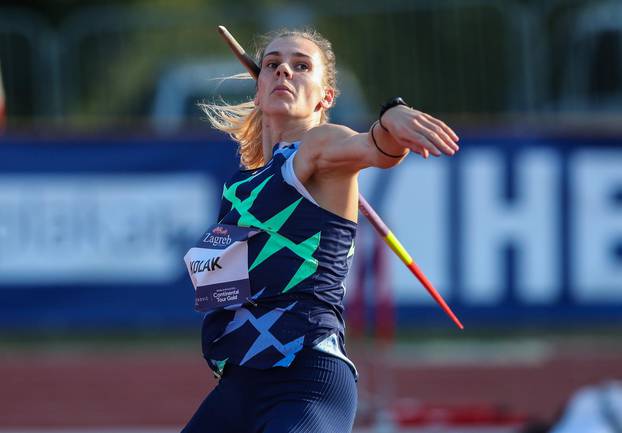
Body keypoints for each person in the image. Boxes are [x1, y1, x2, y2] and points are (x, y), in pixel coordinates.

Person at [181, 28, 459, 433]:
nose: (284, 72)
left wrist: (391, 115)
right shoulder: (241, 188)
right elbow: (217, 289)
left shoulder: (320, 147)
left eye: (301, 66)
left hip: (306, 379)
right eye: (273, 65)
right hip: (240, 382)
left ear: (325, 97)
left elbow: (375, 149)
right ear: (258, 92)